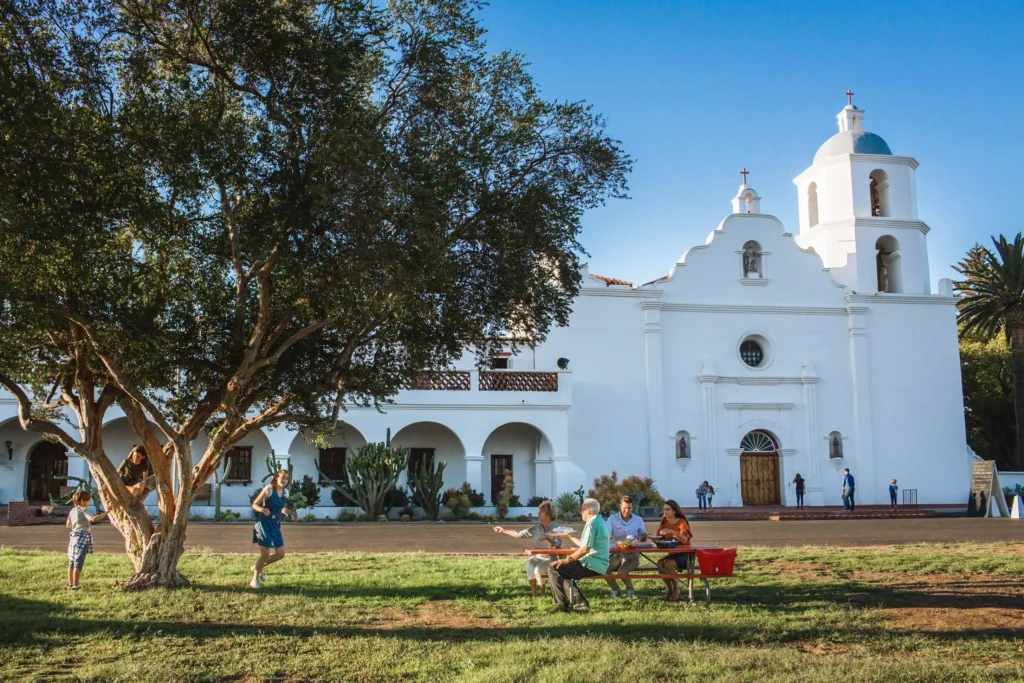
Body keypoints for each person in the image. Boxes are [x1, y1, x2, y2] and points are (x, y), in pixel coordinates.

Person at [547, 498, 609, 613]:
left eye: (582, 509)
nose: (581, 512)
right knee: (563, 570)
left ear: (589, 510)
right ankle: (580, 601)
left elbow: (584, 549)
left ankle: (562, 605)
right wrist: (569, 537)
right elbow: (585, 545)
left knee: (554, 568)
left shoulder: (591, 524)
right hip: (601, 564)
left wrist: (567, 560)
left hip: (591, 564)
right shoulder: (603, 522)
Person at [494, 500, 562, 598]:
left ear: (548, 513)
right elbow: (520, 533)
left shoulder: (556, 527)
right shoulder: (536, 528)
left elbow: (558, 545)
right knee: (530, 564)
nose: (538, 514)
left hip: (550, 559)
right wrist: (503, 530)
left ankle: (543, 594)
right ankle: (534, 594)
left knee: (538, 569)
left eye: (541, 511)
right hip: (537, 556)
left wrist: (549, 540)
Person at [250, 469, 298, 588]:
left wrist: (292, 513)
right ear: (276, 477)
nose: (285, 480)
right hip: (264, 524)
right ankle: (254, 580)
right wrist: (262, 509)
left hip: (276, 525)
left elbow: (281, 508)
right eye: (283, 477)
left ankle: (257, 567)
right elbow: (254, 504)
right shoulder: (269, 489)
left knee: (280, 554)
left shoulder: (285, 492)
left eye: (287, 478)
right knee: (265, 555)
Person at [605, 496, 647, 598]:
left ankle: (630, 590)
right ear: (620, 507)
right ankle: (616, 590)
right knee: (604, 568)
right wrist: (608, 535)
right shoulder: (612, 519)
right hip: (616, 554)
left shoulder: (638, 519)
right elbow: (606, 533)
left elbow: (644, 536)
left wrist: (640, 538)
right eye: (625, 508)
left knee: (622, 571)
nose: (627, 511)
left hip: (632, 555)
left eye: (629, 508)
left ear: (633, 508)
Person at [66, 489, 107, 589]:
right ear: (81, 501)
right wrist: (105, 513)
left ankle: (71, 584)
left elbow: (68, 525)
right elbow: (92, 519)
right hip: (82, 536)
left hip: (73, 537)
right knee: (78, 562)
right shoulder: (83, 510)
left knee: (71, 562)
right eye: (88, 500)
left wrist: (77, 523)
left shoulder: (72, 511)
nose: (89, 502)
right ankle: (76, 585)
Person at [654, 499, 693, 601]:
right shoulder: (664, 521)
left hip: (685, 555)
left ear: (674, 511)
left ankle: (676, 589)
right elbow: (659, 536)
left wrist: (673, 532)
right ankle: (670, 589)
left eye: (668, 509)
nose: (665, 512)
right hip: (672, 553)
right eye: (664, 509)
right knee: (659, 564)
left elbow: (685, 539)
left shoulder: (681, 522)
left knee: (668, 564)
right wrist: (653, 538)